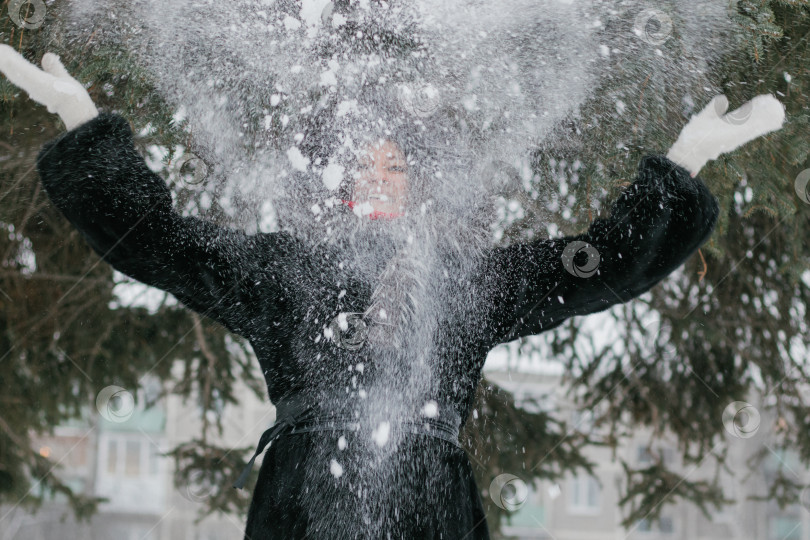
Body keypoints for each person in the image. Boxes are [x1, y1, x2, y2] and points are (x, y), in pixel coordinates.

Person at [0, 46, 786, 539]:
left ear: (415, 185)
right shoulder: (281, 271)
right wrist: (81, 121)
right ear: (331, 183)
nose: (377, 179)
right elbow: (157, 242)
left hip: (432, 501)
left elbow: (602, 264)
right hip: (303, 500)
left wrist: (687, 159)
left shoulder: (463, 284)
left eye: (394, 167)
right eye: (359, 165)